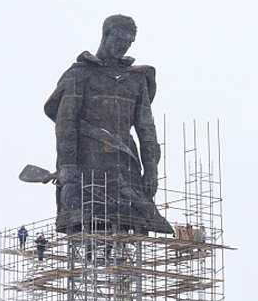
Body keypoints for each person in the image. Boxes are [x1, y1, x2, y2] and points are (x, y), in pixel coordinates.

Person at [44, 14, 173, 234]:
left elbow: (147, 129)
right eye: (120, 40)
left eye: (129, 42)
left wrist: (151, 169)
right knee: (88, 228)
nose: (124, 46)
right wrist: (67, 166)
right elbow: (66, 124)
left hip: (126, 165)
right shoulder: (80, 74)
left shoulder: (136, 79)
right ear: (106, 35)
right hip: (88, 165)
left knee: (134, 226)